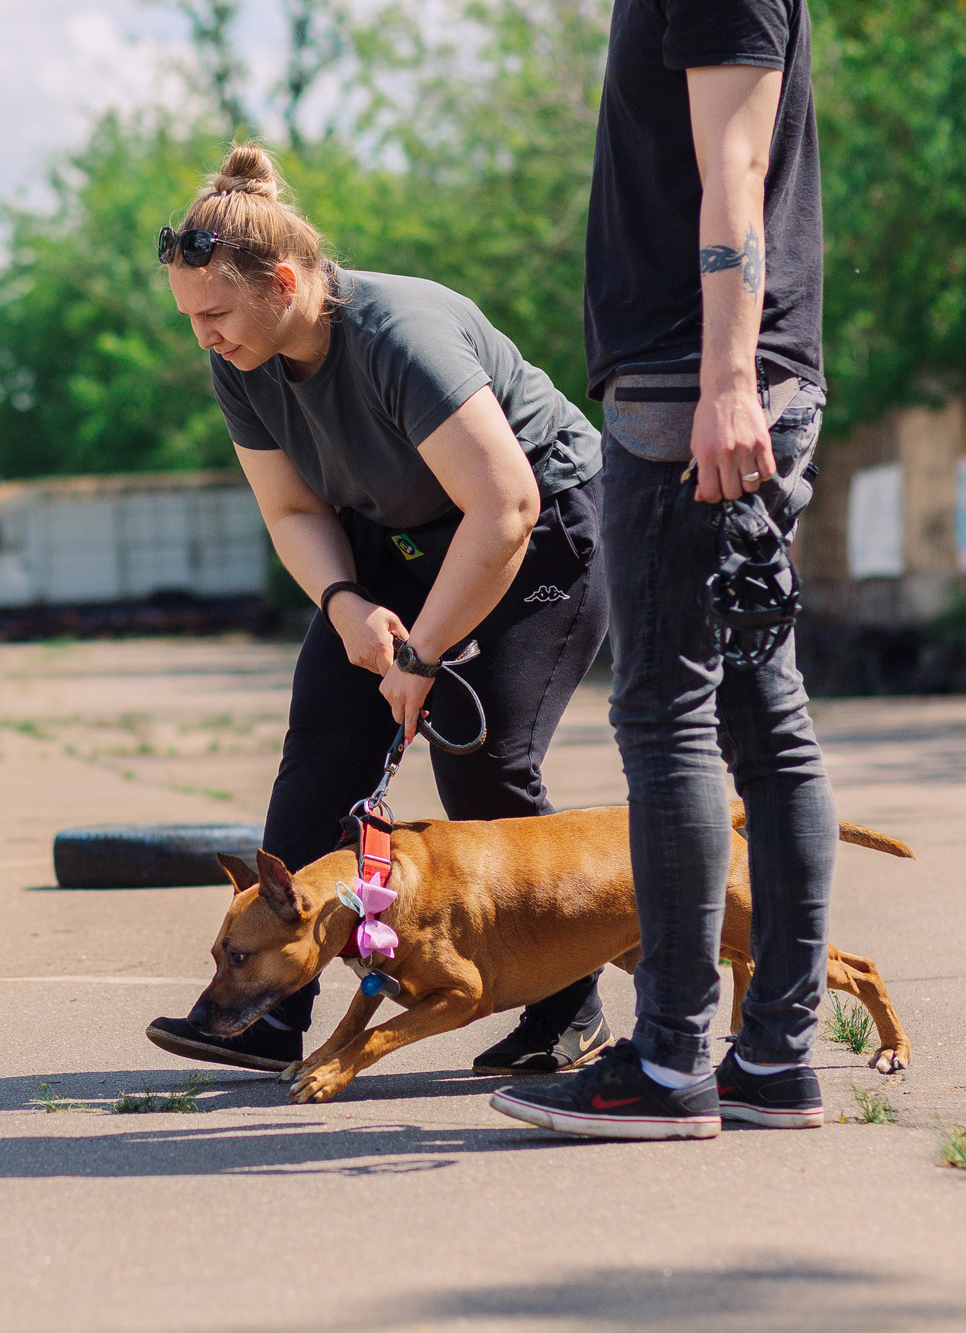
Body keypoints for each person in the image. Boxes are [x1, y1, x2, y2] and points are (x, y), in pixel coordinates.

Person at [143, 144, 612, 1077]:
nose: (204, 337)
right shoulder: (244, 359)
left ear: (283, 282)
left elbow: (504, 507)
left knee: (484, 758)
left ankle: (570, 1006)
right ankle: (270, 1006)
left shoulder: (398, 336)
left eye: (216, 314)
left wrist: (424, 654)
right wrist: (347, 603)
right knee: (322, 746)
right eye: (190, 317)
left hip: (542, 523)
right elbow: (292, 510)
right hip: (395, 545)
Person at [489, 0, 836, 1139]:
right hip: (710, 382)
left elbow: (733, 164)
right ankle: (771, 1059)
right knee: (754, 708)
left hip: (695, 390)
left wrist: (726, 382)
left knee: (668, 713)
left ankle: (671, 1058)